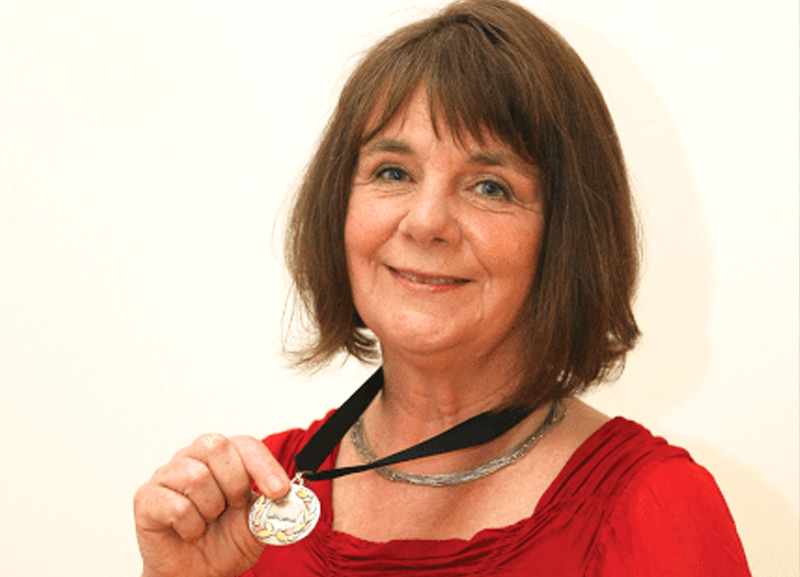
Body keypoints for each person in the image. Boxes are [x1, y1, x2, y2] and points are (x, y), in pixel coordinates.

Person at [133, 1, 751, 575]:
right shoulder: (248, 506)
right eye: (392, 172)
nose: (426, 221)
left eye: (489, 186)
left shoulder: (654, 507)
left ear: (565, 237)